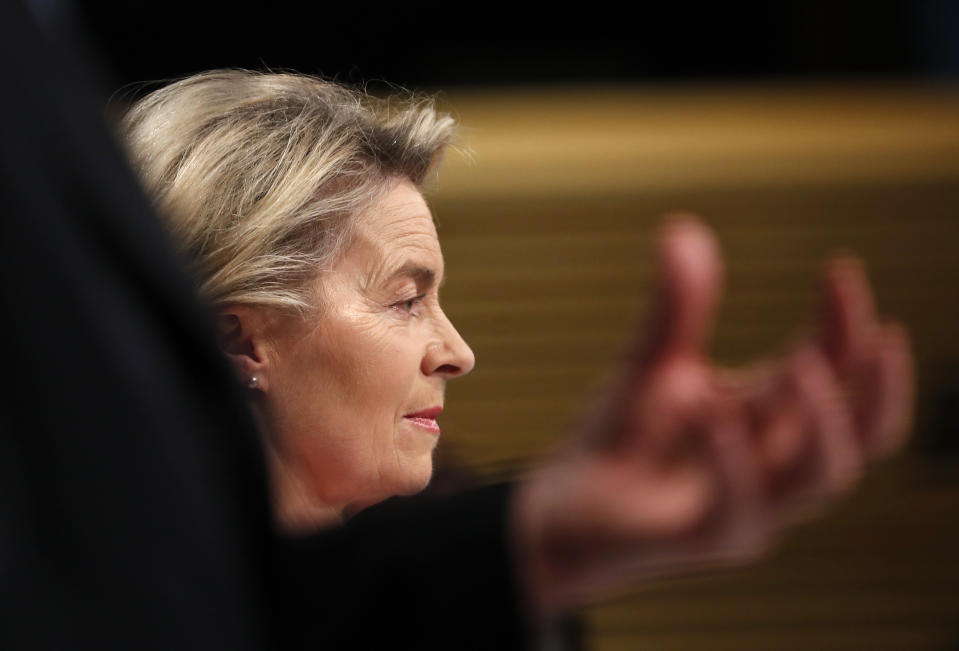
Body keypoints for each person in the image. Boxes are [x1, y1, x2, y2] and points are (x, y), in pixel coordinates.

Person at [119, 70, 914, 626]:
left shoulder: (454, 546)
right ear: (237, 337)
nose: (457, 352)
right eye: (405, 299)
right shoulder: (83, 596)